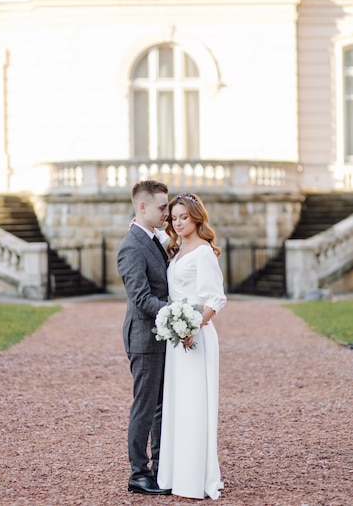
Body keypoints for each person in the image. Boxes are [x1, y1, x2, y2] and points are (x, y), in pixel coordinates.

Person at [157, 192, 227, 500]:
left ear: (196, 217)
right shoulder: (177, 250)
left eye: (184, 217)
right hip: (177, 338)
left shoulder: (204, 253)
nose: (178, 222)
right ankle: (175, 475)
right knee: (178, 405)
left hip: (196, 337)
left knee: (195, 406)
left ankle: (194, 478)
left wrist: (193, 327)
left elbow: (214, 300)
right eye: (174, 218)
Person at [117, 180, 172, 496]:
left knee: (160, 406)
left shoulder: (151, 239)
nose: (166, 212)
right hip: (144, 338)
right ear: (142, 207)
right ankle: (139, 474)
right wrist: (175, 313)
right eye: (162, 207)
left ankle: (160, 467)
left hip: (160, 336)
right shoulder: (131, 246)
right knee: (145, 406)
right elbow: (140, 297)